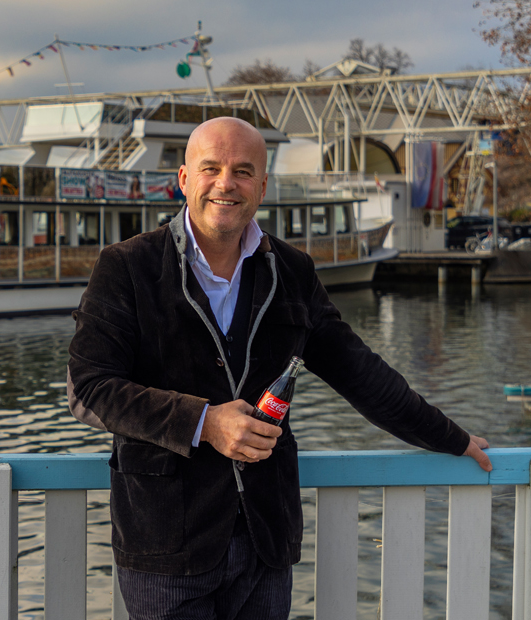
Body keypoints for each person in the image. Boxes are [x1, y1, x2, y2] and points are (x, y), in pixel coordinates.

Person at [66, 117, 491, 619]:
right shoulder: (127, 266)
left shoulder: (291, 271)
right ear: (183, 179)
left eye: (243, 171)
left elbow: (360, 373)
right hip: (165, 543)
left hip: (266, 540)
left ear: (263, 186)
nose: (226, 183)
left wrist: (452, 438)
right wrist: (205, 422)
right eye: (211, 168)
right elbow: (90, 388)